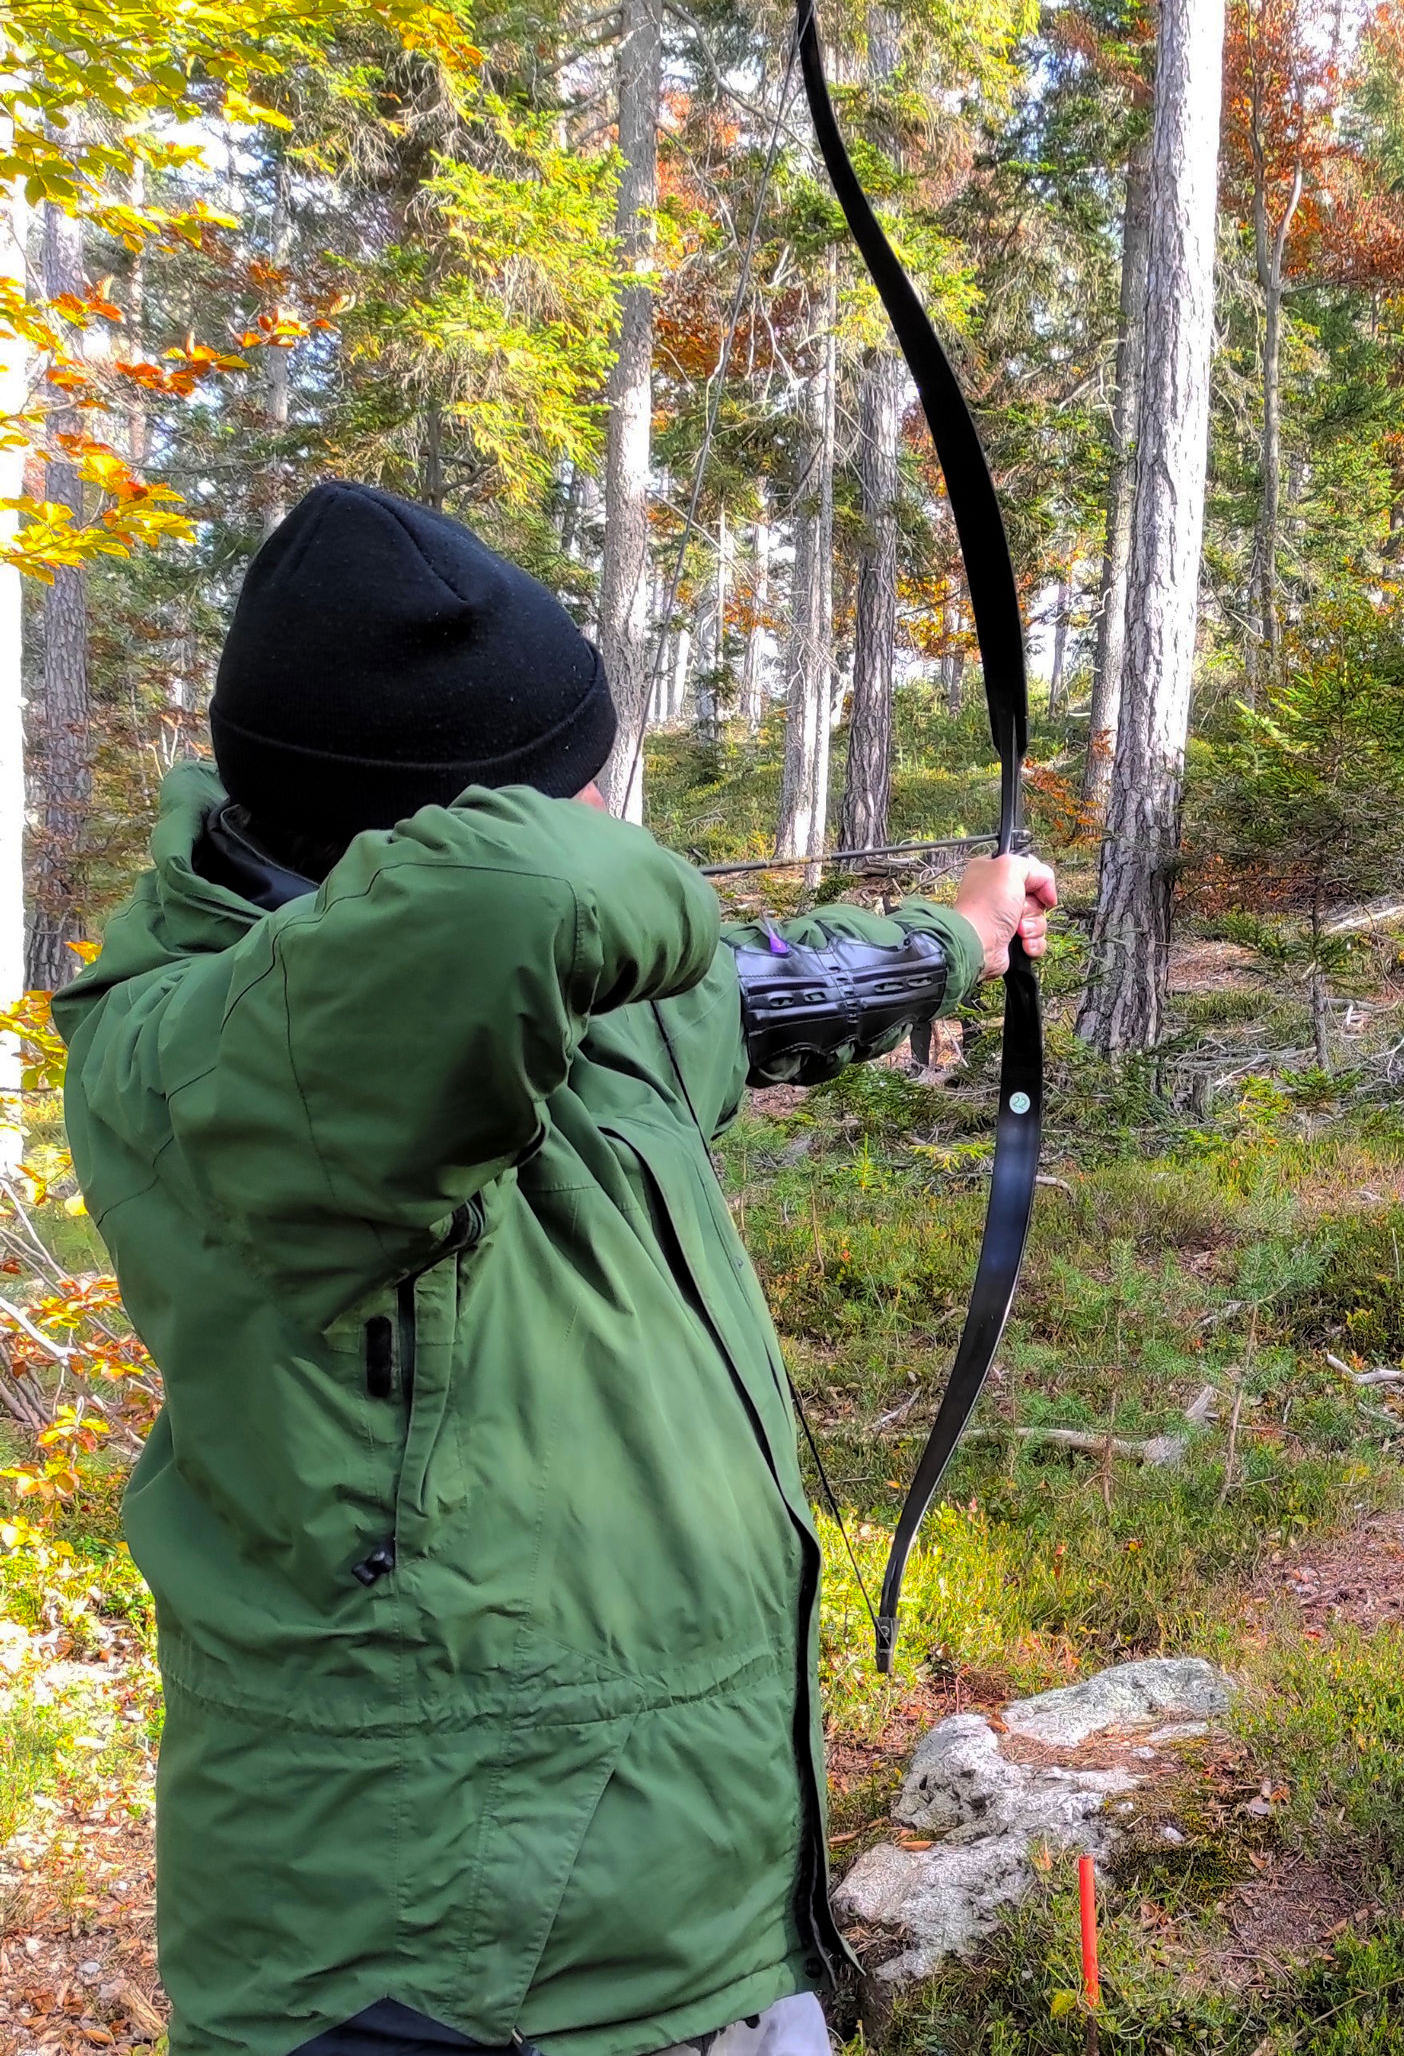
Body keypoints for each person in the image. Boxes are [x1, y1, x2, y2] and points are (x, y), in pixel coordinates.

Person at [53, 483, 1056, 2056]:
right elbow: (528, 891)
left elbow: (734, 994)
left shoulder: (519, 993)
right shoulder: (220, 1053)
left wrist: (949, 938)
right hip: (432, 1968)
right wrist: (597, 836)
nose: (603, 808)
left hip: (681, 1911)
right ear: (438, 829)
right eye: (580, 782)